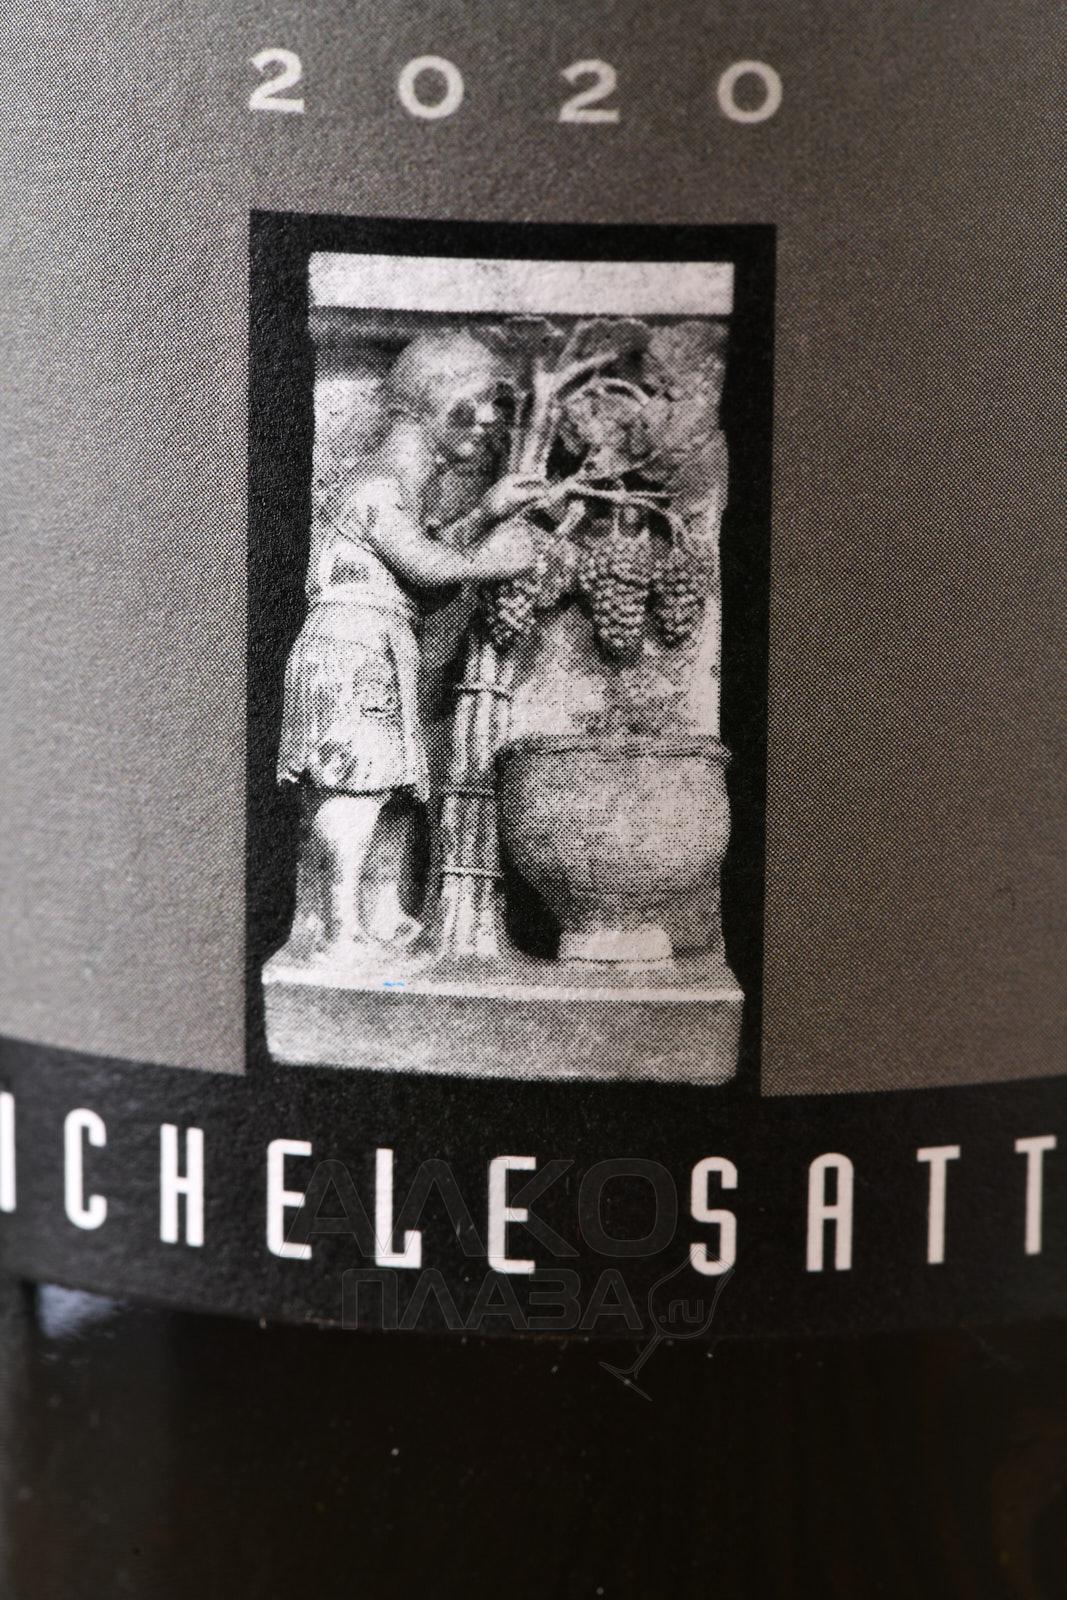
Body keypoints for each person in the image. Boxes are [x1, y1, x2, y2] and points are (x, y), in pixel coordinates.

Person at [277, 330, 547, 966]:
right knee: (353, 788)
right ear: (432, 399)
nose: (490, 420)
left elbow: (420, 565)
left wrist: (485, 512)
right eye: (480, 400)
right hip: (351, 652)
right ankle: (337, 928)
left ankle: (377, 915)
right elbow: (426, 566)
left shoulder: (395, 493)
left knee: (390, 786)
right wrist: (493, 559)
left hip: (377, 648)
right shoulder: (375, 487)